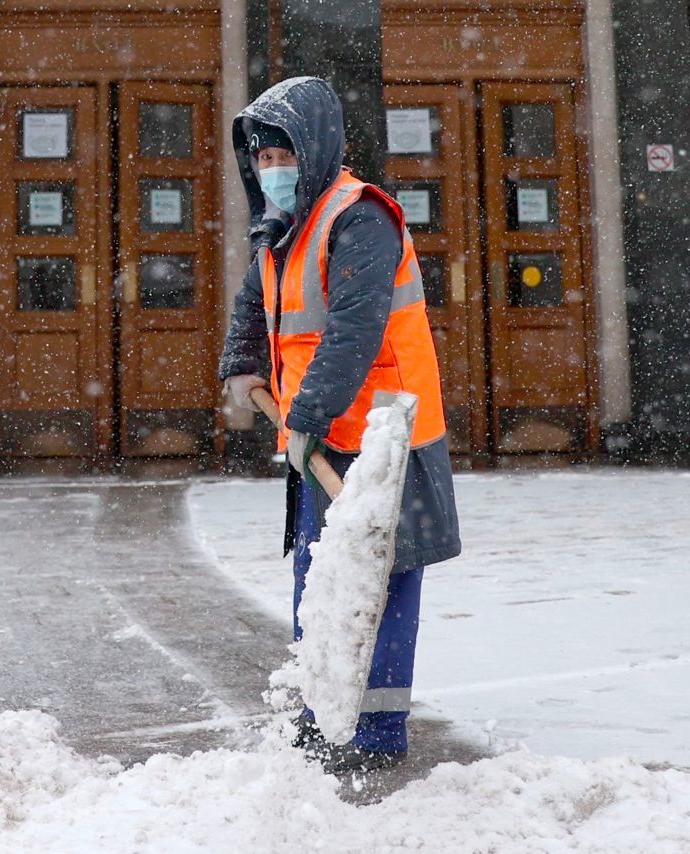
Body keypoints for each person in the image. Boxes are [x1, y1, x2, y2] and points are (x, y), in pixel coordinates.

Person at [218, 77, 462, 774]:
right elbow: (249, 305)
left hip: (389, 440)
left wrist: (304, 415)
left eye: (283, 156)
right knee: (321, 581)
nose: (273, 171)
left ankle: (377, 733)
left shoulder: (361, 218)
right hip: (321, 436)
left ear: (317, 149)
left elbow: (353, 330)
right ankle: (323, 717)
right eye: (261, 160)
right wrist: (242, 363)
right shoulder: (280, 228)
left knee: (383, 583)